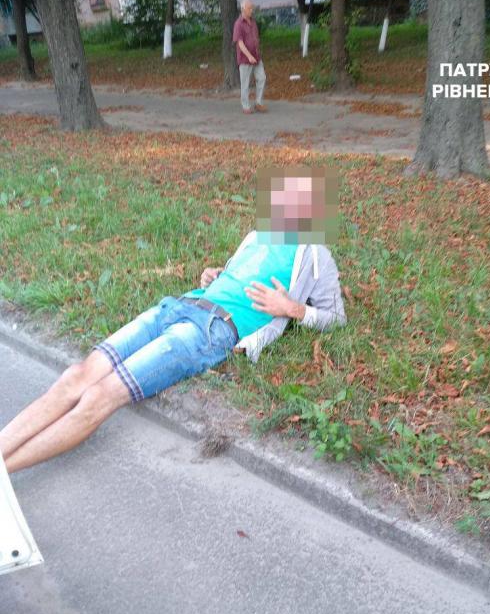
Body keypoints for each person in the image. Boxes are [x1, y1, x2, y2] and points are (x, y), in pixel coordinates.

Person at [0, 171, 345, 475]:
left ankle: (6, 471)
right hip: (180, 305)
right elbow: (236, 277)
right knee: (76, 376)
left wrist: (292, 309)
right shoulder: (257, 236)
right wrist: (215, 276)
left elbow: (336, 318)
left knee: (99, 395)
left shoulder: (317, 255)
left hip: (211, 329)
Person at [232, 0, 266, 115]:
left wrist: (256, 51)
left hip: (256, 57)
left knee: (262, 78)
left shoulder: (253, 22)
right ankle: (246, 106)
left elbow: (255, 38)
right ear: (243, 9)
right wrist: (249, 55)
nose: (252, 10)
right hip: (245, 59)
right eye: (249, 8)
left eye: (252, 8)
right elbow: (239, 43)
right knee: (245, 84)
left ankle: (258, 103)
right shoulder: (238, 24)